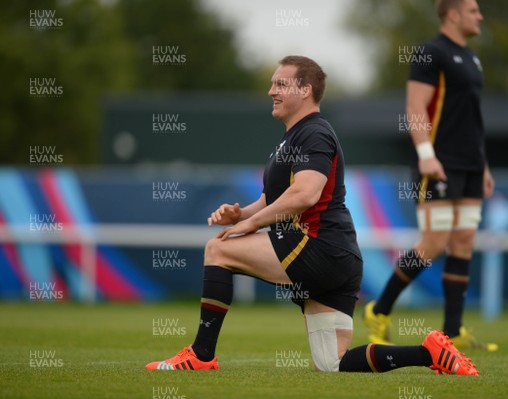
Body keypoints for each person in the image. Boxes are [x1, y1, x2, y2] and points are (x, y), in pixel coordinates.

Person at [145, 55, 478, 375]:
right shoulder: (295, 136)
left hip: (318, 247)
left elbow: (306, 193)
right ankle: (429, 352)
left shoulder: (314, 132)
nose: (271, 91)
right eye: (272, 84)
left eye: (280, 84)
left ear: (305, 90)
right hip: (337, 258)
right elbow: (273, 198)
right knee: (332, 363)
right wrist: (240, 214)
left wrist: (251, 224)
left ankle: (201, 356)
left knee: (218, 250)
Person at [364, 0, 498, 351]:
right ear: (453, 14)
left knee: (464, 241)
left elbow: (471, 120)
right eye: (473, 10)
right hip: (438, 162)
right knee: (434, 242)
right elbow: (415, 107)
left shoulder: (472, 59)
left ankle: (452, 332)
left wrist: (482, 165)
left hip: (470, 165)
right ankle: (379, 310)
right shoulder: (430, 52)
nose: (480, 15)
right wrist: (425, 154)